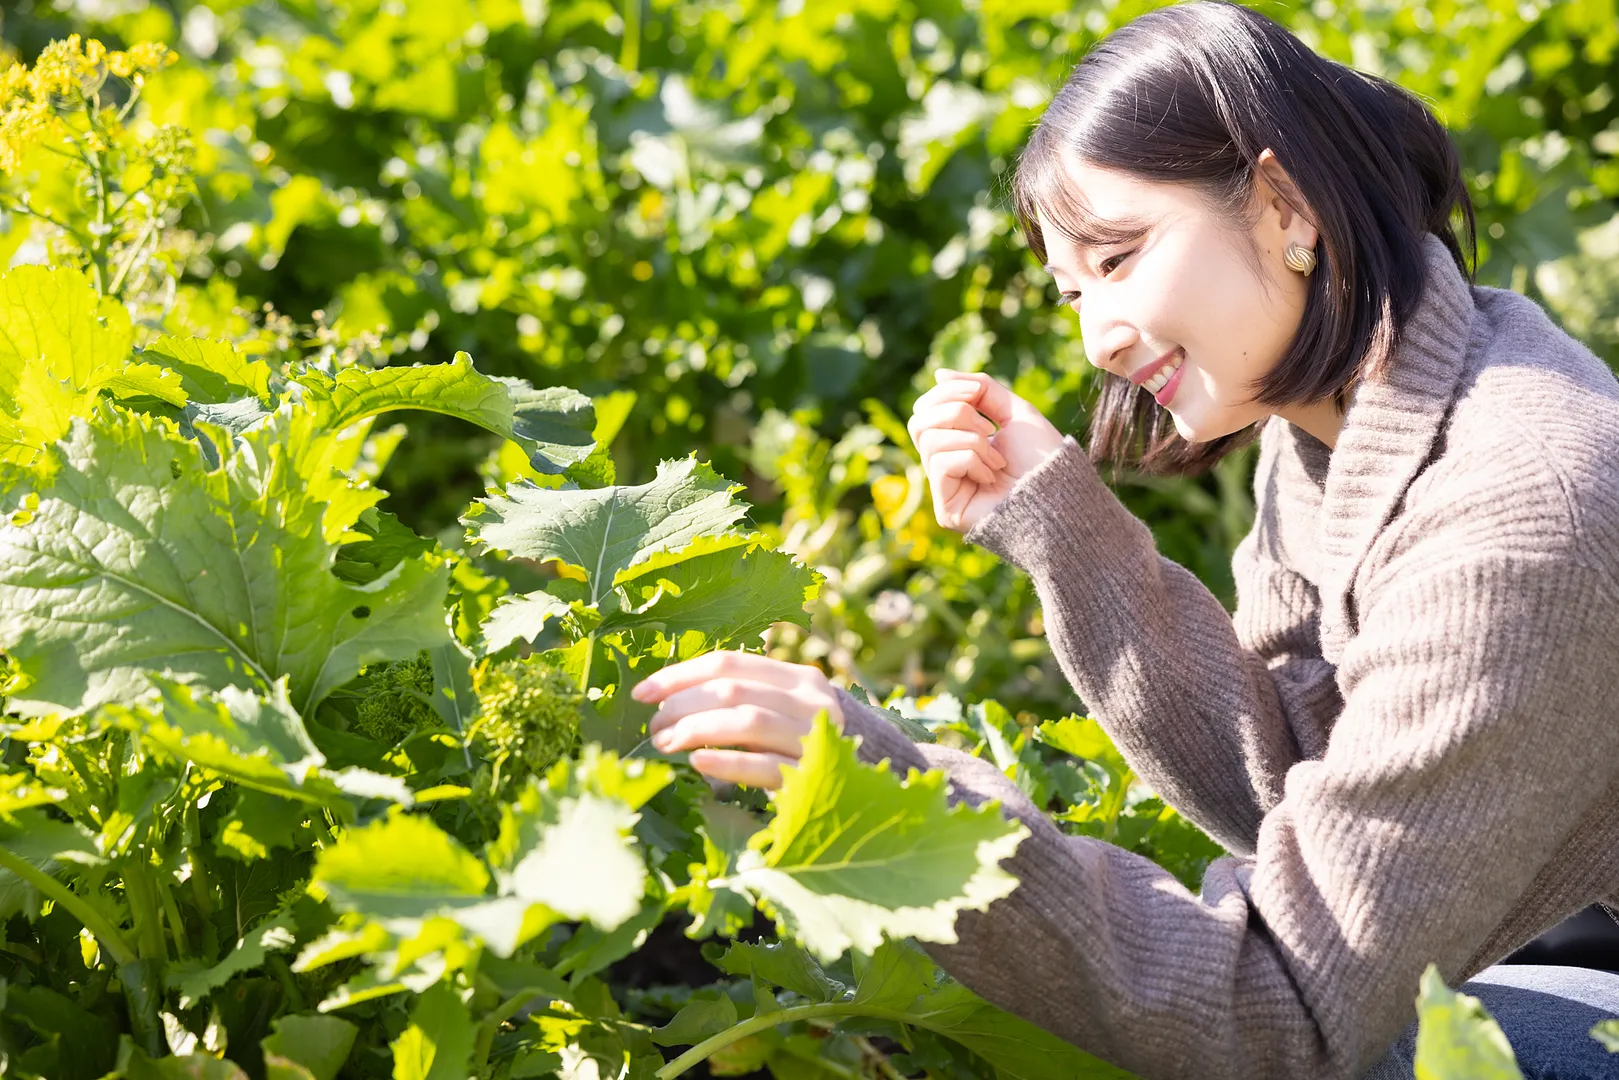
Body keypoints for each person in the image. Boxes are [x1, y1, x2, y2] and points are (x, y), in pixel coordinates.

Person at [630, 2, 1619, 1077]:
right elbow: (1296, 780)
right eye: (1070, 289)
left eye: (1117, 256)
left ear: (1283, 203)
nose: (1097, 336)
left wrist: (902, 808)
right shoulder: (1349, 415)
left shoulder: (1514, 515)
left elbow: (1284, 1004)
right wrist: (1063, 530)